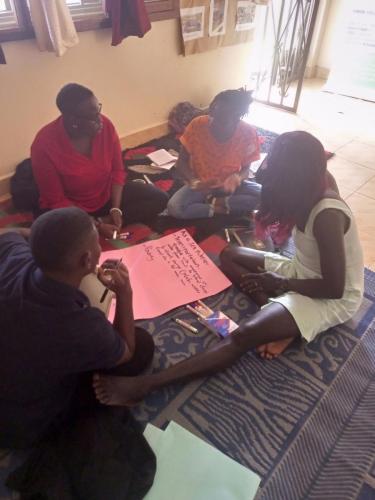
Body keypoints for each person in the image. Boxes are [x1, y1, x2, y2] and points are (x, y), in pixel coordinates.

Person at [93, 131, 364, 406]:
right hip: (302, 269)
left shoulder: (327, 215)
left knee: (242, 336)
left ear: (294, 176)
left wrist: (280, 284)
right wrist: (278, 284)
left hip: (331, 296)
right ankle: (281, 323)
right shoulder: (312, 185)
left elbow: (334, 286)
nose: (267, 169)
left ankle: (145, 385)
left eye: (276, 166)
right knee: (230, 255)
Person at [0, 207, 154, 449]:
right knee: (142, 345)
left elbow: (11, 234)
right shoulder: (81, 325)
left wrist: (47, 244)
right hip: (23, 424)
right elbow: (126, 351)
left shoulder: (15, 257)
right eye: (97, 245)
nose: (100, 248)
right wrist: (125, 294)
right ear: (87, 260)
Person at [31, 83, 168, 238]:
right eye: (93, 116)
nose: (100, 119)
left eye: (99, 110)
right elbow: (56, 200)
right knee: (52, 238)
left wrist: (115, 209)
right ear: (73, 120)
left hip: (106, 196)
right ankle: (92, 228)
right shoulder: (43, 145)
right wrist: (95, 225)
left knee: (159, 198)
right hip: (70, 207)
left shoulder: (105, 126)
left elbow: (118, 171)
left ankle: (104, 223)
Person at [167, 89, 261, 219]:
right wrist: (194, 182)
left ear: (236, 117)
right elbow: (181, 161)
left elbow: (245, 169)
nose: (213, 122)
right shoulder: (197, 125)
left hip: (229, 187)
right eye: (212, 115)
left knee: (267, 196)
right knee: (174, 207)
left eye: (222, 120)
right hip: (202, 185)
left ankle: (217, 204)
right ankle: (219, 208)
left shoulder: (248, 133)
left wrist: (237, 178)